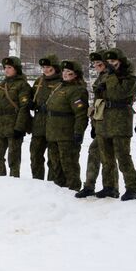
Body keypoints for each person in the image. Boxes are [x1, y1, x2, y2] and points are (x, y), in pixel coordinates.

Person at [92, 48, 136, 200]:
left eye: (114, 62)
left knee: (123, 156)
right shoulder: (105, 76)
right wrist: (95, 122)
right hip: (104, 120)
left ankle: (132, 187)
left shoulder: (129, 77)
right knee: (106, 158)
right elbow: (98, 100)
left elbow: (118, 93)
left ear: (121, 61)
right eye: (110, 62)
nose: (112, 65)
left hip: (120, 120)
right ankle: (109, 186)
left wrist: (111, 77)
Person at [76, 51, 116, 197]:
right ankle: (90, 185)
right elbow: (97, 104)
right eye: (95, 65)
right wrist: (93, 123)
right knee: (95, 151)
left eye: (100, 64)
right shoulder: (101, 77)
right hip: (100, 120)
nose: (97, 67)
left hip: (110, 121)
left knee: (108, 154)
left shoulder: (111, 77)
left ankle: (111, 187)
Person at [46, 60, 89, 192]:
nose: (65, 75)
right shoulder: (59, 87)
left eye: (69, 73)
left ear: (76, 75)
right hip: (53, 133)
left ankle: (73, 188)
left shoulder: (77, 90)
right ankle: (58, 189)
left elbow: (81, 114)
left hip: (67, 134)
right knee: (54, 164)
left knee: (68, 163)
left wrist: (78, 132)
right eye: (64, 72)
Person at [0, 56, 32, 178]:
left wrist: (19, 127)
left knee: (13, 158)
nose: (6, 70)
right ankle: (1, 180)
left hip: (14, 124)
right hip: (0, 126)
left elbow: (24, 108)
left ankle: (13, 182)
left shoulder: (23, 85)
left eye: (9, 67)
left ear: (16, 69)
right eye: (5, 67)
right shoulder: (1, 85)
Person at [29, 55, 61, 181]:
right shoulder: (39, 81)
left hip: (54, 125)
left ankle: (52, 183)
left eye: (48, 67)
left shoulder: (60, 83)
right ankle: (37, 181)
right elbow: (33, 96)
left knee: (53, 158)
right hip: (38, 124)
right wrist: (32, 103)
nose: (45, 70)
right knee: (35, 155)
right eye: (43, 67)